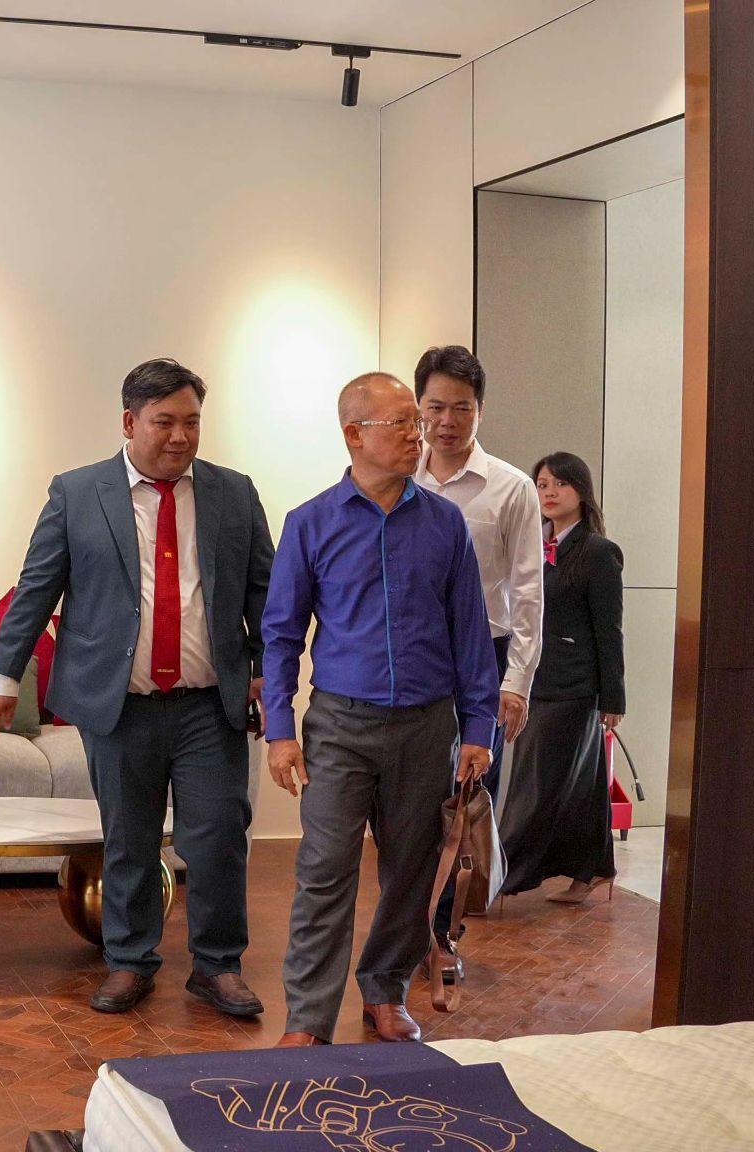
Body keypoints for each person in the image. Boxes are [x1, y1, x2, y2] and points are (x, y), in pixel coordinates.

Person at [0, 358, 275, 1018]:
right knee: (128, 839)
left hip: (209, 704)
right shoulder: (77, 492)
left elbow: (266, 591)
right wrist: (1, 675)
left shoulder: (233, 493)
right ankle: (130, 961)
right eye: (164, 422)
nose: (180, 436)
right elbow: (37, 589)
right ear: (128, 422)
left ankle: (218, 966)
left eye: (192, 422)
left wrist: (266, 667)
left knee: (218, 837)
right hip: (119, 705)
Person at [260, 372, 499, 1047]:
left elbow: (470, 632)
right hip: (340, 726)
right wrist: (280, 731)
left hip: (427, 726)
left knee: (411, 872)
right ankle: (308, 1018)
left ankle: (385, 992)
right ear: (353, 435)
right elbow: (280, 636)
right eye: (401, 422)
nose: (417, 434)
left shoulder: (445, 524)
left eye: (415, 422)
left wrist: (478, 728)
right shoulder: (310, 523)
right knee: (324, 870)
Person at [410, 345, 543, 979]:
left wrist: (516, 683)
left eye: (461, 408)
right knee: (409, 806)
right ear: (418, 408)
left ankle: (442, 935)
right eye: (435, 406)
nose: (447, 421)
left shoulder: (511, 488)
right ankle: (404, 930)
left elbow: (527, 593)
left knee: (462, 803)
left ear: (480, 411)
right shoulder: (398, 478)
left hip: (482, 661)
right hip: (408, 656)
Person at [499, 452, 624, 903]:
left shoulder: (599, 552)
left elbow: (609, 631)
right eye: (541, 484)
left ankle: (501, 878)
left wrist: (613, 699)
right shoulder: (533, 545)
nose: (548, 492)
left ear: (581, 491)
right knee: (584, 785)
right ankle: (593, 869)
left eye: (559, 484)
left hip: (572, 687)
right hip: (534, 679)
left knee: (536, 785)